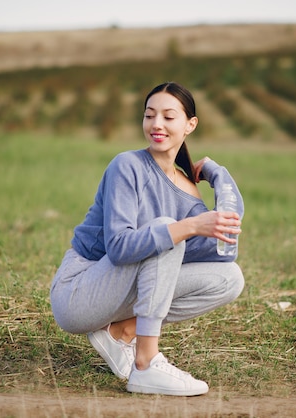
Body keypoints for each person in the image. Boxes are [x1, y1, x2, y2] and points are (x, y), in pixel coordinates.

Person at [49, 81, 245, 396]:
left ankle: (123, 332)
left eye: (168, 117)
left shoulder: (189, 193)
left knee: (230, 278)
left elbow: (225, 248)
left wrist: (216, 173)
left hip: (118, 293)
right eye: (149, 115)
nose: (156, 124)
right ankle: (146, 363)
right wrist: (188, 227)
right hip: (79, 291)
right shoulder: (127, 166)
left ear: (190, 124)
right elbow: (119, 248)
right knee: (169, 230)